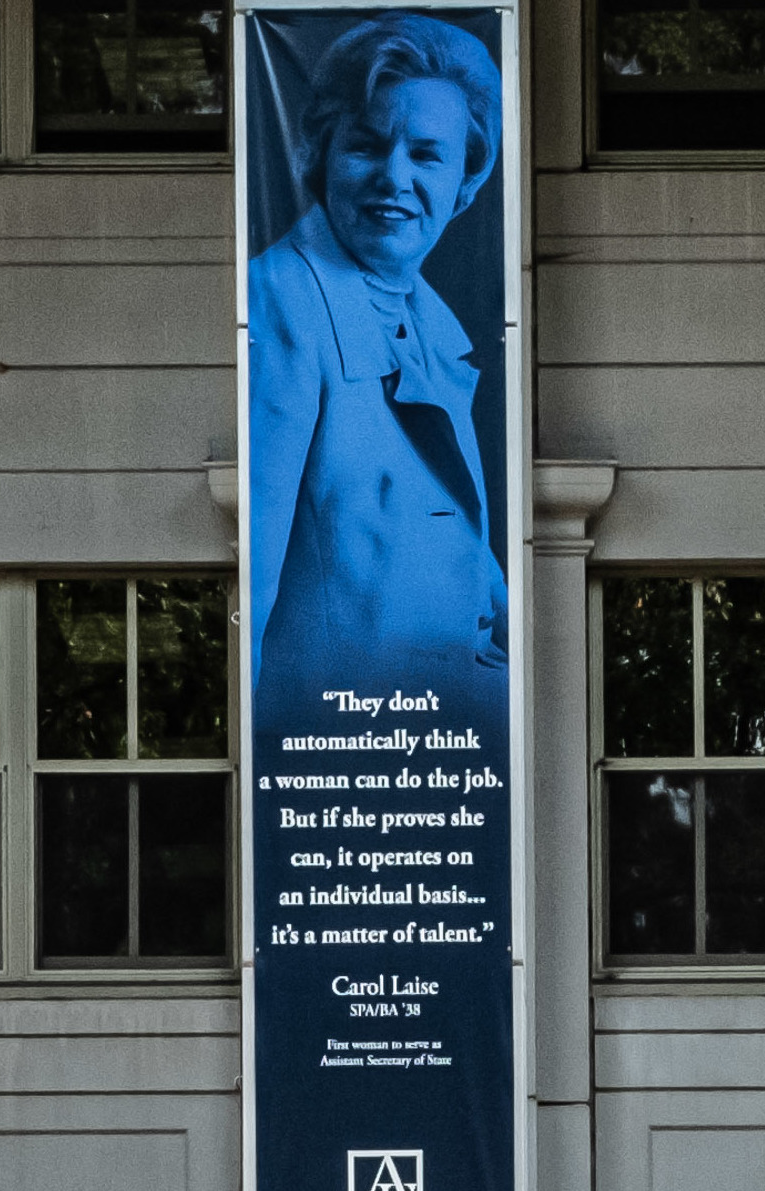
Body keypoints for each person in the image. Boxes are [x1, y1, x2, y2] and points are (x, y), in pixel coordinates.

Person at [241, 15, 511, 707]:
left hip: (437, 742)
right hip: (332, 743)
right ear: (320, 153)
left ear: (464, 181)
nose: (394, 177)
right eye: (366, 144)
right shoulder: (283, 302)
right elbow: (257, 569)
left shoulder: (427, 328)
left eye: (426, 155)